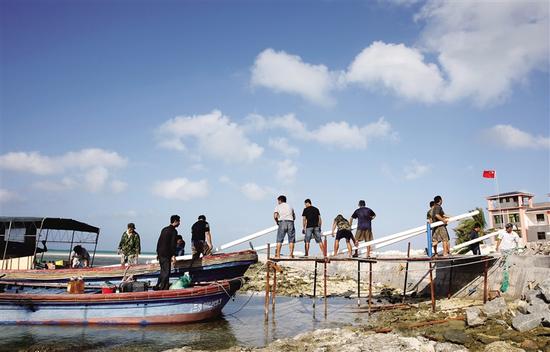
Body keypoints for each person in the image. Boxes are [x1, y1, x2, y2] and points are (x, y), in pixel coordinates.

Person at [155, 215, 180, 290]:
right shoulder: (174, 231)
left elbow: (159, 241)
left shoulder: (164, 229)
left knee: (163, 270)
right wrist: (173, 255)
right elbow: (173, 244)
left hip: (160, 252)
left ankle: (161, 286)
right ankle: (161, 287)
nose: (180, 223)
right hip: (167, 253)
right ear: (175, 221)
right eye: (179, 221)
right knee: (166, 272)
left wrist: (157, 253)